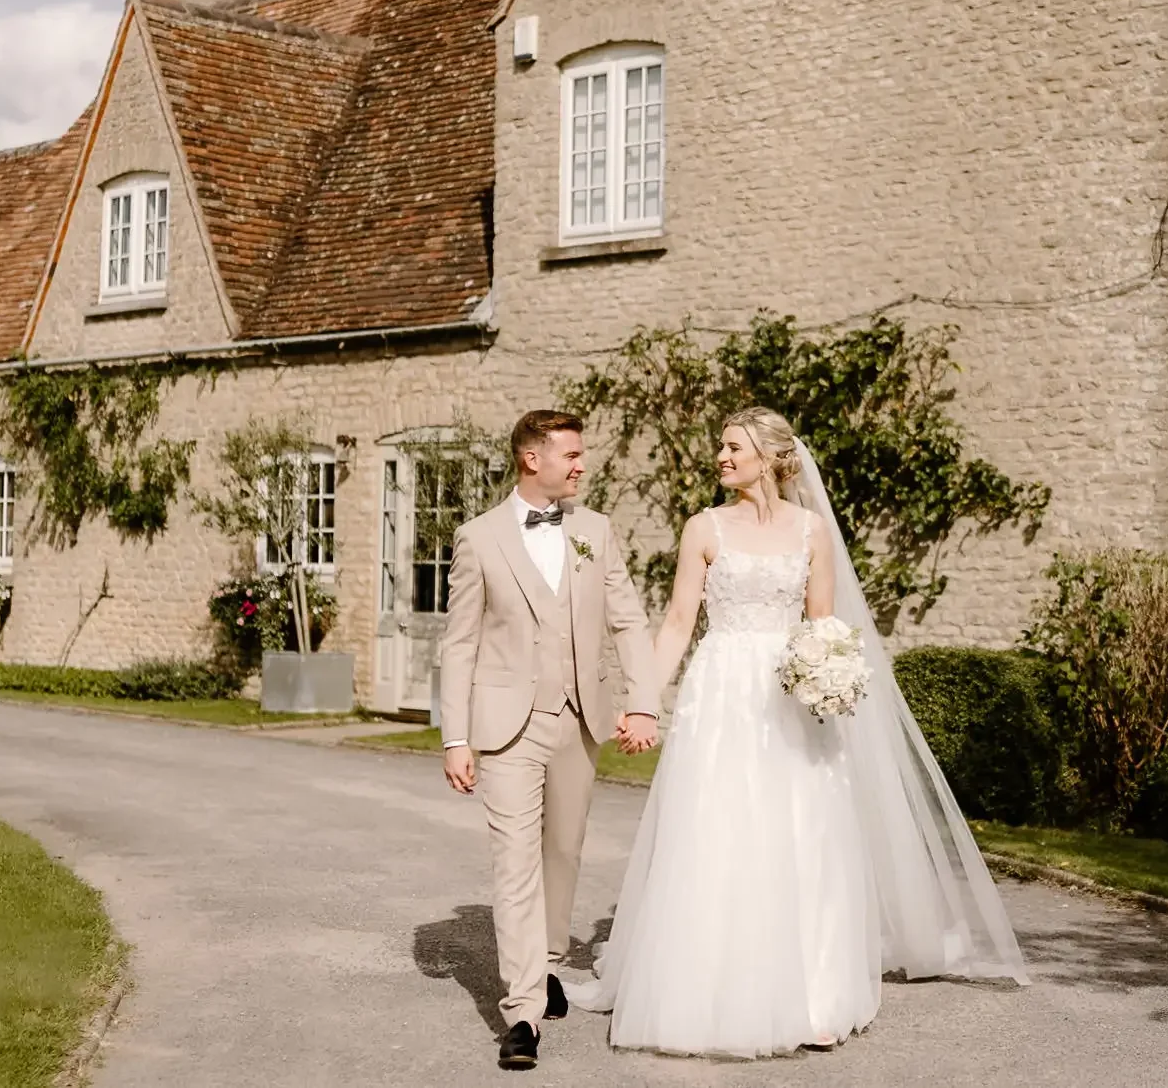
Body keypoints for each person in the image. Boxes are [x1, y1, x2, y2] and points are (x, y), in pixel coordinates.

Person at [567, 406, 1029, 1058]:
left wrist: (827, 677)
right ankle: (710, 993)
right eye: (721, 447)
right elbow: (675, 623)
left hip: (789, 696)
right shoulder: (704, 527)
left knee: (804, 833)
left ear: (769, 455)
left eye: (733, 446)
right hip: (722, 691)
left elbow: (823, 626)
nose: (721, 457)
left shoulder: (813, 533)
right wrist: (643, 698)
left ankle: (814, 995)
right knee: (716, 831)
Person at [437, 409, 660, 1072]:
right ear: (532, 458)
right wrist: (457, 736)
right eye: (571, 454)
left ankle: (552, 964)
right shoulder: (478, 539)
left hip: (581, 720)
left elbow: (628, 622)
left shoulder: (596, 532)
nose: (581, 465)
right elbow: (460, 644)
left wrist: (644, 704)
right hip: (506, 729)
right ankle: (524, 1012)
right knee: (515, 865)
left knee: (563, 852)